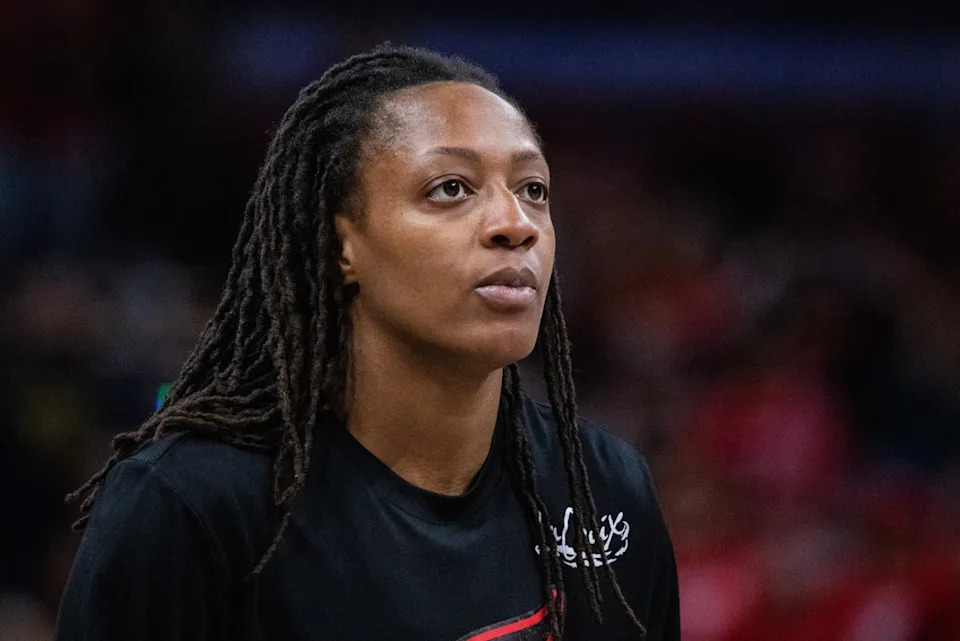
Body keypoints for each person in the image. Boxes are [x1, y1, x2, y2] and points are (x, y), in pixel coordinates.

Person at [54, 44, 680, 640]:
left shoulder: (605, 488)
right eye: (451, 188)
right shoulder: (191, 505)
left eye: (532, 189)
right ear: (341, 245)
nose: (515, 224)